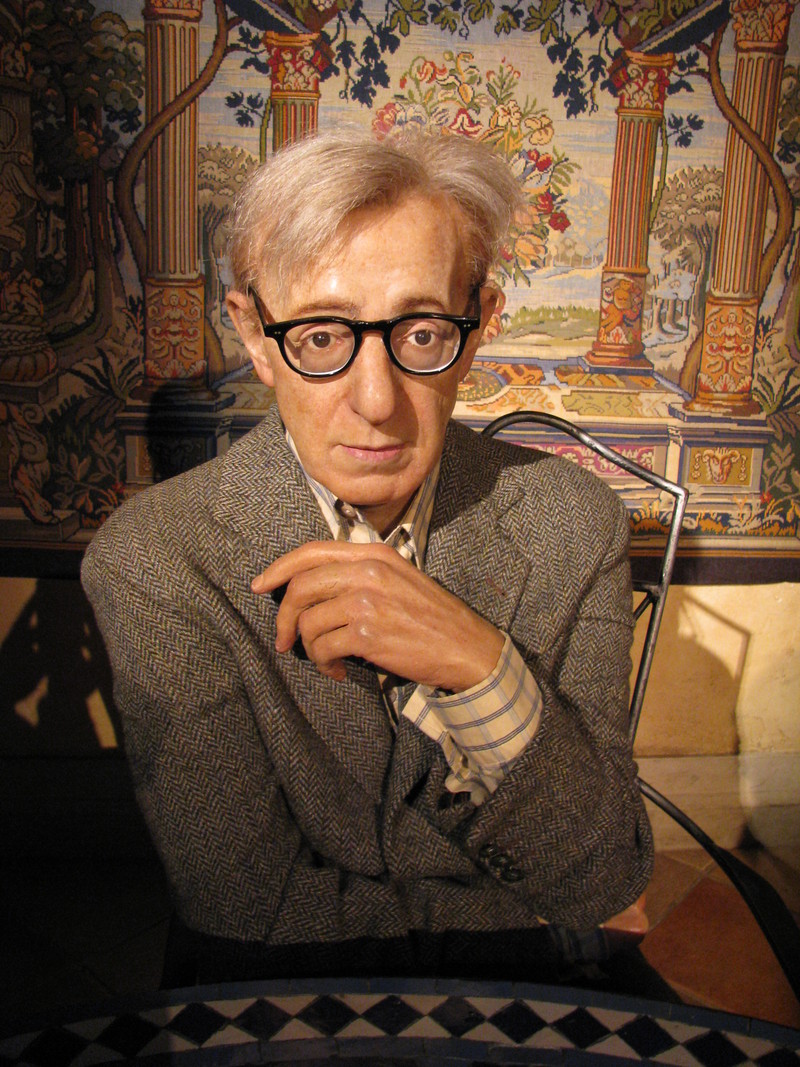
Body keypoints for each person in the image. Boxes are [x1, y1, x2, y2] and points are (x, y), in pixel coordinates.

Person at [82, 127, 653, 982]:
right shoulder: (155, 558)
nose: (378, 400)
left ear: (478, 325)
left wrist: (484, 667)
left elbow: (602, 869)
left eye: (421, 333)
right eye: (320, 336)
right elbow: (245, 907)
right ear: (254, 335)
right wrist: (534, 921)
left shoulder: (575, 523)